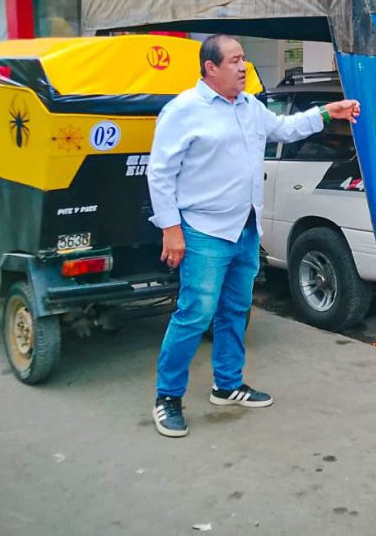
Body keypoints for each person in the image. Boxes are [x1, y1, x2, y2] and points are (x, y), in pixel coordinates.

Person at [147, 35, 360, 438]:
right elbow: (159, 173)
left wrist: (327, 112)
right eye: (234, 60)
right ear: (210, 68)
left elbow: (286, 128)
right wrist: (170, 229)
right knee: (195, 314)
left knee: (235, 309)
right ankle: (168, 397)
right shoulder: (183, 111)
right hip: (204, 230)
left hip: (245, 228)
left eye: (243, 59)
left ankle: (227, 385)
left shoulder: (250, 106)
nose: (243, 67)